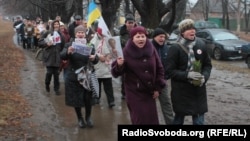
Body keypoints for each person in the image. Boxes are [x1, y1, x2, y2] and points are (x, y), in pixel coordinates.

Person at [111, 26, 166, 124]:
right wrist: (119, 65)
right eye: (137, 37)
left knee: (152, 120)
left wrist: (158, 87)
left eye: (143, 36)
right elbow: (115, 73)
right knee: (140, 120)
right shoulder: (126, 52)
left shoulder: (152, 49)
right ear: (132, 39)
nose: (141, 39)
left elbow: (159, 69)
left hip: (150, 92)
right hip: (134, 93)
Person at [165, 19, 212, 125]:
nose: (192, 31)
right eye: (188, 29)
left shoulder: (201, 44)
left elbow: (207, 65)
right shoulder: (175, 48)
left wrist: (204, 77)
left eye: (193, 28)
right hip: (181, 93)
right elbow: (170, 71)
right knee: (178, 120)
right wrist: (187, 75)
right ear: (182, 32)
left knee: (199, 122)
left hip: (198, 92)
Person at [60, 25, 99, 128]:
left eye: (82, 32)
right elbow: (62, 55)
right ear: (75, 34)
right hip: (74, 75)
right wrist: (68, 51)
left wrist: (93, 58)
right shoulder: (69, 44)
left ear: (85, 34)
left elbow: (96, 59)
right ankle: (80, 118)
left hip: (87, 75)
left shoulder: (90, 44)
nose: (80, 34)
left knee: (87, 98)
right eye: (78, 32)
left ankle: (88, 117)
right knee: (76, 99)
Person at [151, 28, 174, 124]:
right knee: (150, 106)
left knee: (166, 104)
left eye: (164, 37)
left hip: (162, 81)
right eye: (160, 37)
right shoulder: (148, 47)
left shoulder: (167, 48)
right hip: (149, 82)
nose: (162, 39)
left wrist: (166, 76)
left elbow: (169, 64)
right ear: (154, 37)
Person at [90, 27, 115, 108]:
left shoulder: (108, 39)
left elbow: (113, 49)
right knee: (97, 84)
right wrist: (99, 56)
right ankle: (96, 98)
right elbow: (91, 51)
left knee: (108, 86)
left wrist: (109, 56)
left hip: (107, 66)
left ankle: (111, 101)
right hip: (97, 65)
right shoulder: (93, 40)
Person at [38, 20, 65, 95]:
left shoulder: (61, 35)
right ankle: (47, 84)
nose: (56, 26)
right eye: (55, 24)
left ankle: (56, 89)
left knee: (56, 74)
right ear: (52, 25)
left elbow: (63, 46)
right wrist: (46, 44)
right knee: (49, 73)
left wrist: (62, 55)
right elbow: (40, 42)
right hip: (49, 57)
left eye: (57, 24)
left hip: (57, 57)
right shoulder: (47, 33)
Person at [119, 14, 137, 99]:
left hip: (137, 57)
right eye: (129, 22)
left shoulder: (139, 32)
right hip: (125, 57)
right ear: (125, 23)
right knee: (124, 76)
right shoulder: (120, 33)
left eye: (132, 22)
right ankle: (124, 92)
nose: (130, 24)